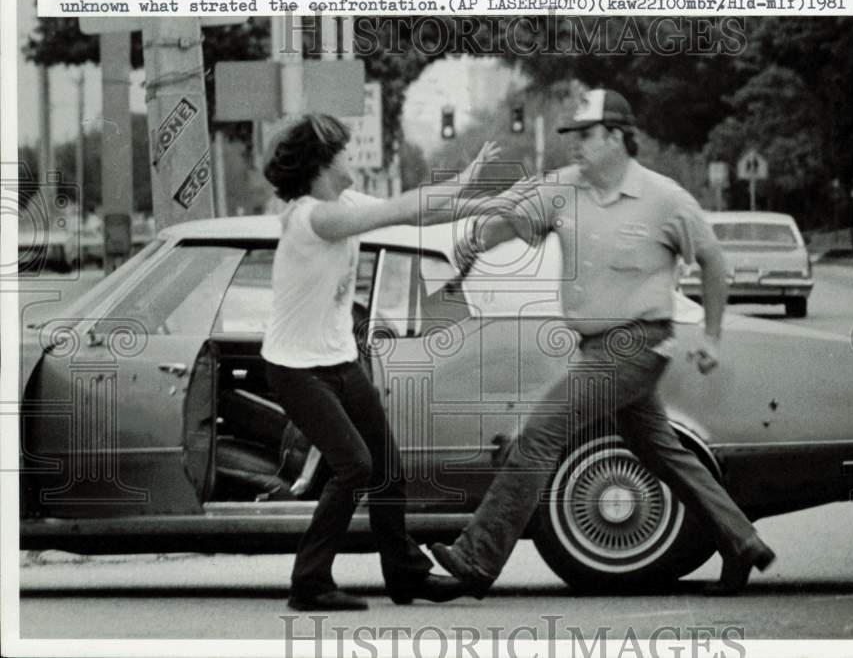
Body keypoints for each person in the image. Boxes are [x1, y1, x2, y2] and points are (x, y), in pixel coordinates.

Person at [432, 89, 775, 597]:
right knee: (660, 451)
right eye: (572, 136)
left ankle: (474, 561)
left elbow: (714, 262)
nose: (576, 146)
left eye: (587, 135)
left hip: (639, 344)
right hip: (595, 348)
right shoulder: (565, 188)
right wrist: (479, 240)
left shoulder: (665, 198)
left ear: (617, 137)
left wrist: (713, 337)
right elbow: (511, 223)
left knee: (541, 432)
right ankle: (742, 541)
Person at [261, 113, 518, 611]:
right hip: (295, 367)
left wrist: (486, 199)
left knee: (387, 469)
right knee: (354, 465)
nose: (352, 157)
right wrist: (466, 186)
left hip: (337, 358)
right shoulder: (314, 217)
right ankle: (309, 583)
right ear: (321, 165)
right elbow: (401, 210)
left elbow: (420, 214)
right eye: (344, 151)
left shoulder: (345, 202)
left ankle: (405, 576)